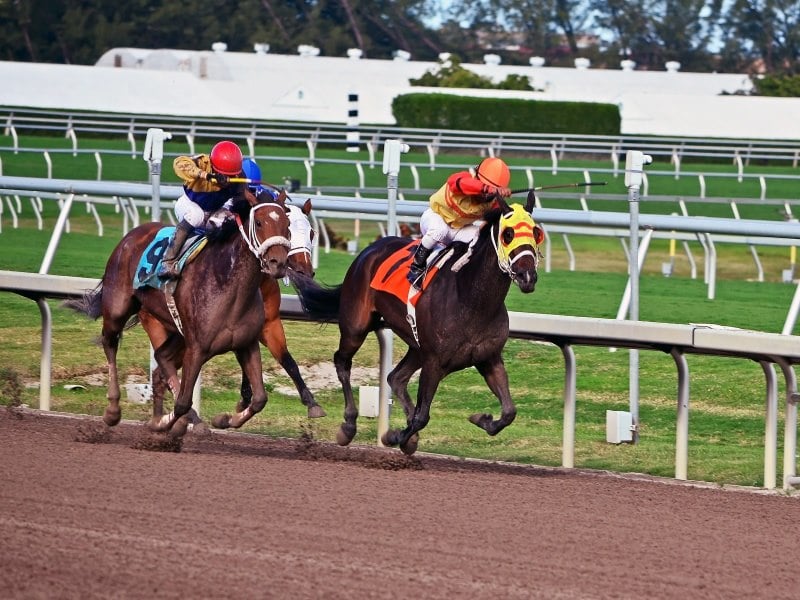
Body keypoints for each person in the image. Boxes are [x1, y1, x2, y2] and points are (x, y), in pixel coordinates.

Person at [407, 156, 512, 289]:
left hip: (459, 229)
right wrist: (489, 189)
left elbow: (502, 218)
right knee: (439, 230)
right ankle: (416, 266)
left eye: (492, 191)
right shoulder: (463, 178)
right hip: (435, 217)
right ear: (477, 176)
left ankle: (462, 271)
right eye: (487, 187)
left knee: (480, 238)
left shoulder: (493, 202)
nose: (486, 196)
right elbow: (458, 183)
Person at [158, 140, 245, 279]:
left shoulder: (239, 175)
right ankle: (167, 262)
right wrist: (207, 175)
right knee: (196, 216)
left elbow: (241, 198)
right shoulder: (203, 162)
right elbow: (179, 163)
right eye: (224, 174)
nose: (228, 179)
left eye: (231, 176)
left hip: (213, 210)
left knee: (229, 221)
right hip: (189, 204)